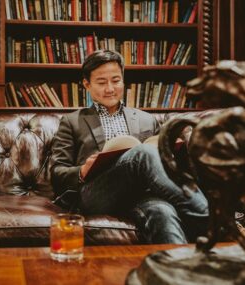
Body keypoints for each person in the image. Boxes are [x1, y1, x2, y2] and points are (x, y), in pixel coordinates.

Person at [50, 49, 208, 244]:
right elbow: (57, 173)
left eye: (116, 81)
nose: (110, 88)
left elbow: (160, 164)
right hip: (97, 193)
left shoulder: (146, 120)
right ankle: (207, 217)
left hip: (141, 194)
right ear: (87, 85)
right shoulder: (72, 121)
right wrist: (82, 171)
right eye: (101, 82)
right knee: (142, 153)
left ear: (123, 81)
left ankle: (179, 270)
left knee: (163, 212)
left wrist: (172, 153)